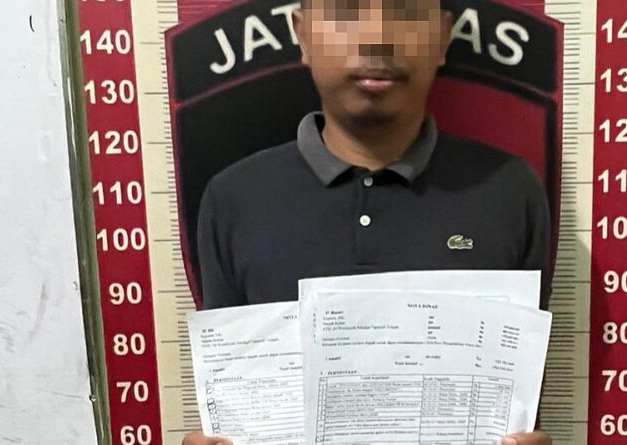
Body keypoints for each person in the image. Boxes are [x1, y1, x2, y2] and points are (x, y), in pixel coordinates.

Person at [183, 0, 552, 443]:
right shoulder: (233, 199)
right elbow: (233, 400)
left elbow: (521, 400)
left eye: (406, 12)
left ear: (441, 37)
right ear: (303, 35)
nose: (377, 36)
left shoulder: (510, 192)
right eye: (345, 11)